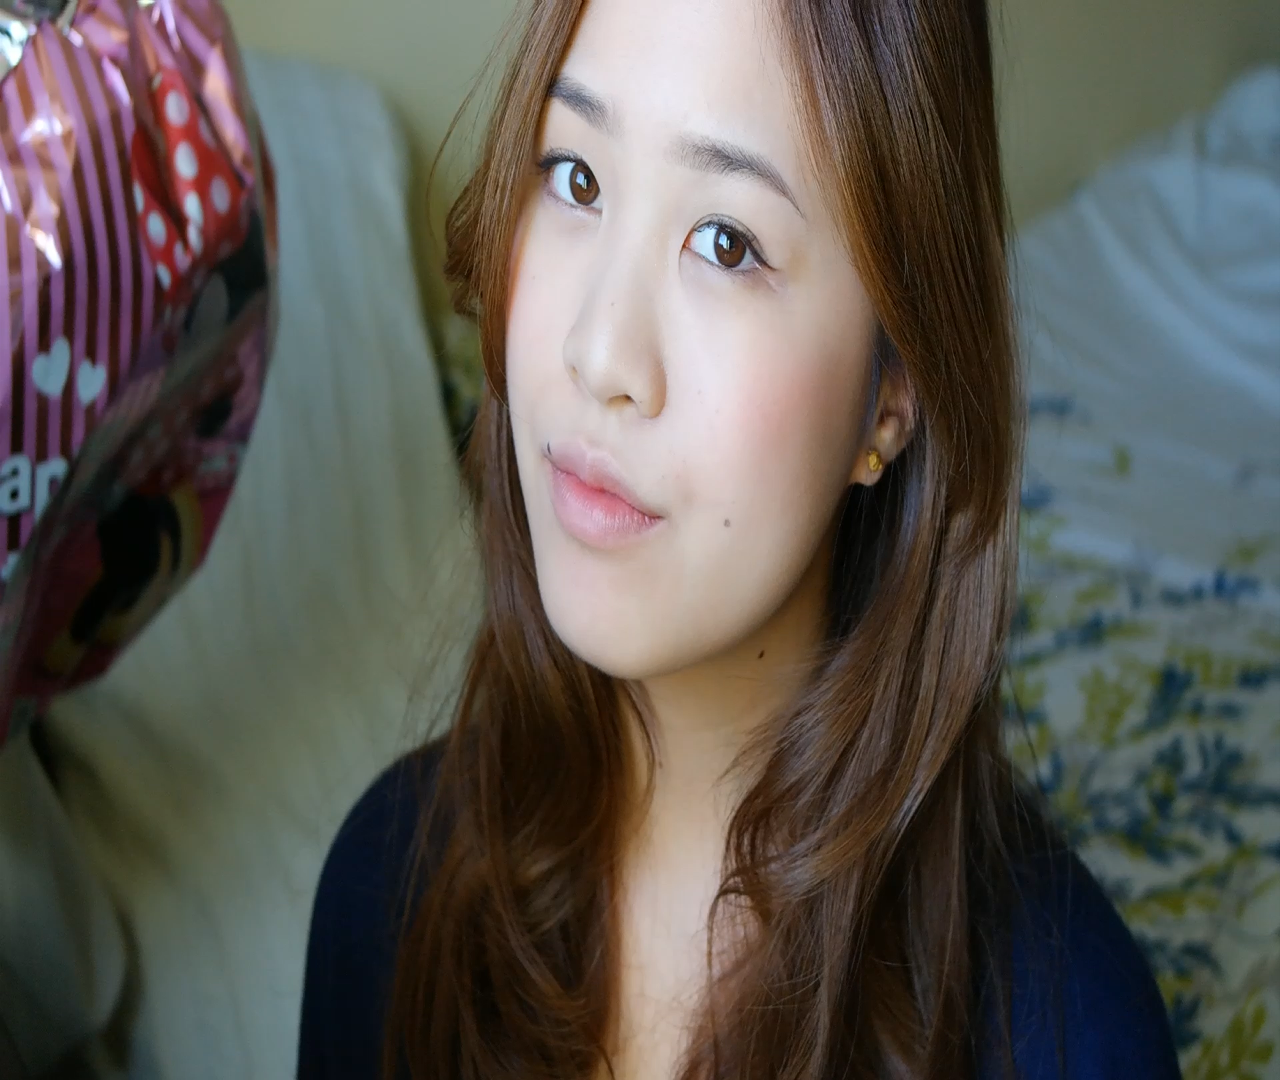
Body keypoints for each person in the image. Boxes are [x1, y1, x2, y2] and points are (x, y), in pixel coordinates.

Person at [296, 0, 1184, 1076]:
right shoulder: (388, 893)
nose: (599, 353)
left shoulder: (1067, 1035)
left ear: (892, 389)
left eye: (725, 244)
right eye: (575, 179)